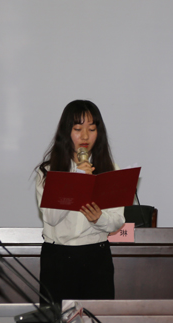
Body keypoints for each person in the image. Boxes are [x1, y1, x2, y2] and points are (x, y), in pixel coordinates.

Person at [35, 100, 125, 305]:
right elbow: (50, 217)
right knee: (56, 321)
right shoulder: (48, 171)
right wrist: (76, 178)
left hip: (96, 256)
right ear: (66, 132)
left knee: (95, 320)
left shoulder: (110, 170)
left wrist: (99, 218)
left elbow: (117, 221)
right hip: (58, 257)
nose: (85, 136)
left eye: (91, 129)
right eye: (78, 129)